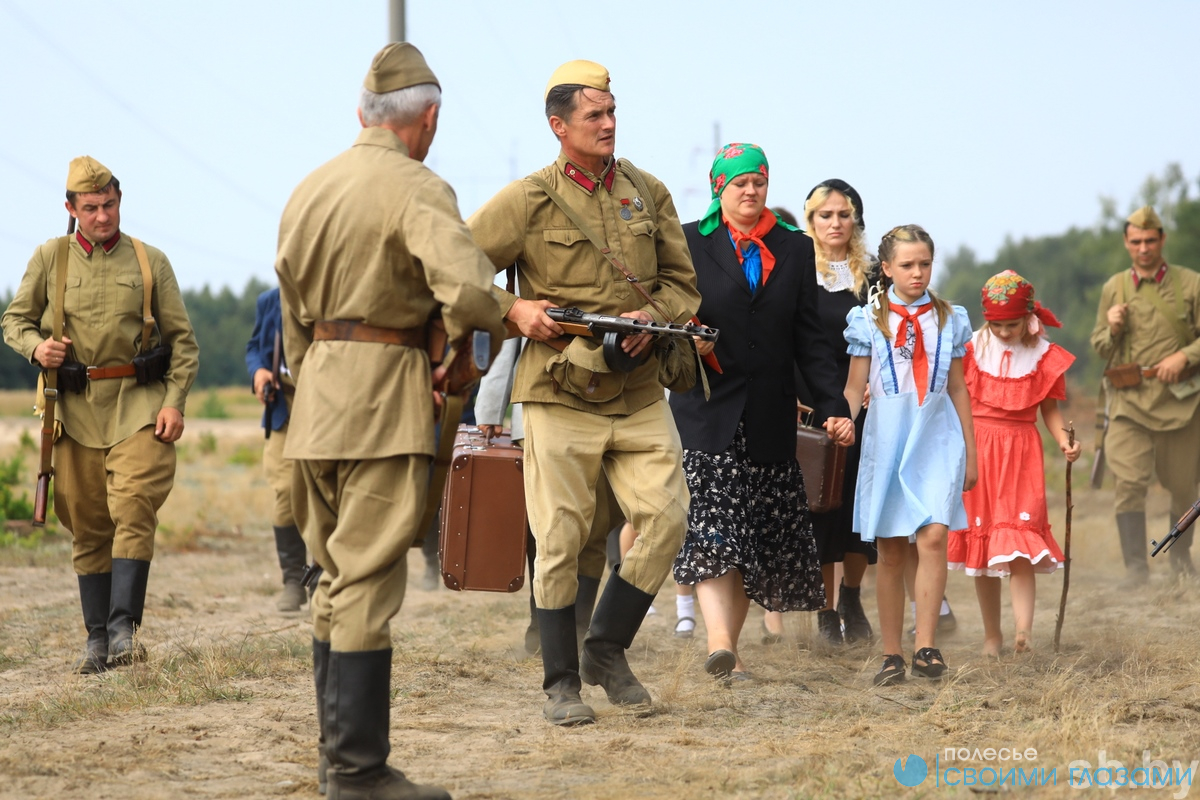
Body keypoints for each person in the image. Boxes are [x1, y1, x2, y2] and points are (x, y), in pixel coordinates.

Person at [275, 43, 504, 800]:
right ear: (428, 118)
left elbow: (292, 315)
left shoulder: (309, 188)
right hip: (384, 402)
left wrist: (316, 382)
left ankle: (335, 763)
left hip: (315, 405)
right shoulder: (419, 187)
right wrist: (469, 344)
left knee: (334, 580)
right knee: (368, 583)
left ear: (362, 114)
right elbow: (470, 292)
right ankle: (358, 774)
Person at [468, 59, 700, 726]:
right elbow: (457, 268)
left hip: (638, 391)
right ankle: (561, 683)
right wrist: (514, 311)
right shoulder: (528, 199)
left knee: (667, 518)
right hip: (559, 390)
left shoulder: (648, 191)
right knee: (561, 540)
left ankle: (604, 649)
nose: (608, 123)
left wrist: (653, 317)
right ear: (559, 125)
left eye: (612, 111)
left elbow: (682, 285)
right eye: (594, 114)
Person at [2, 156, 199, 674]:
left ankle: (123, 630)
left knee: (133, 506)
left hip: (139, 405)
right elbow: (14, 321)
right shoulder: (50, 258)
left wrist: (174, 402)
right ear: (71, 208)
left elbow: (183, 343)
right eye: (90, 208)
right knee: (87, 522)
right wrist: (36, 347)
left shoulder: (150, 261)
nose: (102, 216)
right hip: (72, 410)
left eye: (109, 205)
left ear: (119, 200)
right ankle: (96, 638)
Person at [669, 144, 854, 681]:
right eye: (739, 183)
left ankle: (729, 648)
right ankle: (719, 643)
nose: (750, 191)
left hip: (770, 412)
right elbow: (669, 313)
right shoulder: (688, 241)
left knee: (754, 535)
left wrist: (833, 405)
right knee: (713, 527)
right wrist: (687, 338)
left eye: (759, 181)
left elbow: (809, 337)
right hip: (706, 407)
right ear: (718, 188)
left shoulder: (793, 246)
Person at [843, 224, 976, 685]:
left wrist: (972, 452)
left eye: (925, 264)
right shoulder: (867, 320)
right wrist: (843, 421)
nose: (917, 273)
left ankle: (926, 646)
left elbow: (958, 388)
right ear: (886, 268)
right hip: (888, 434)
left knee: (934, 536)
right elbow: (854, 387)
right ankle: (891, 654)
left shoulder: (950, 318)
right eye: (907, 265)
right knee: (891, 549)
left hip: (937, 433)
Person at [948, 271, 1080, 655]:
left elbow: (1049, 411)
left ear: (1028, 317)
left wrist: (1064, 441)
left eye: (1012, 325)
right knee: (984, 546)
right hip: (979, 452)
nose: (1004, 333)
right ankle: (992, 635)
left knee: (1020, 544)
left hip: (1021, 453)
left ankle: (1024, 631)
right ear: (986, 320)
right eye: (997, 325)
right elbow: (953, 399)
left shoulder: (1041, 355)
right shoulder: (971, 349)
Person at [473, 337, 618, 654]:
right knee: (550, 524)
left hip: (612, 408)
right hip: (542, 402)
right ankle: (543, 626)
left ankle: (577, 629)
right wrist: (491, 406)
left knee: (594, 527)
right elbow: (510, 332)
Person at [1090, 206, 1200, 583]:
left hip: (1181, 402)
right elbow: (1100, 347)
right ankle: (1136, 570)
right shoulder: (1114, 287)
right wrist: (1111, 328)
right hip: (1129, 402)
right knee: (1129, 483)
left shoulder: (1192, 284)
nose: (1144, 248)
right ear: (1126, 242)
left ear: (1162, 240)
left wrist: (1185, 356)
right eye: (1136, 241)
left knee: (1183, 487)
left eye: (1150, 240)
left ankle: (1179, 560)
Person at [791, 179, 878, 646]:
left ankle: (852, 597)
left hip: (867, 407)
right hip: (813, 407)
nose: (835, 223)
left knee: (861, 510)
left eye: (844, 215)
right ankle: (825, 613)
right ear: (811, 220)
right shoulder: (798, 268)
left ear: (856, 221)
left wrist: (875, 388)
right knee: (822, 509)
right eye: (825, 215)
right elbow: (788, 338)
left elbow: (889, 340)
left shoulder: (875, 276)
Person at [245, 286, 307, 613]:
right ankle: (294, 580)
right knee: (285, 491)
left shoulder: (335, 294)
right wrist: (258, 372)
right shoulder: (270, 300)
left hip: (328, 406)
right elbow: (254, 347)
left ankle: (325, 578)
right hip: (284, 405)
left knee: (329, 493)